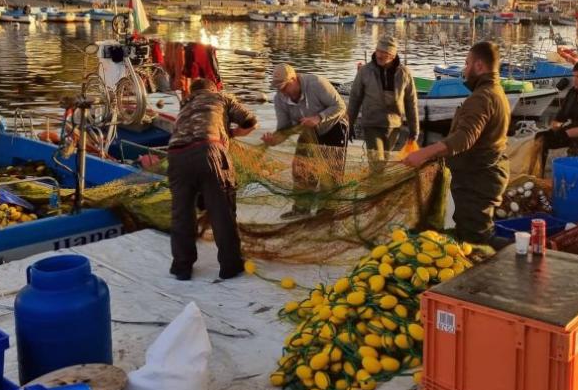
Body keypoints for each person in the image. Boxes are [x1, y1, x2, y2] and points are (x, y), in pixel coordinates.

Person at [402, 42, 510, 245]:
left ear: (479, 66)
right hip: (486, 174)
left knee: (476, 239)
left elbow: (464, 138)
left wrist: (423, 153)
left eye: (467, 63)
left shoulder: (482, 97)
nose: (464, 69)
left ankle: (528, 256)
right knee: (473, 233)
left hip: (478, 179)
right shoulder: (496, 92)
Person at [167, 78, 257, 281]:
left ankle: (182, 267)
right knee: (221, 210)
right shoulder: (221, 97)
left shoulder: (185, 104)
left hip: (175, 155)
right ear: (214, 88)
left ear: (191, 92)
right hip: (209, 151)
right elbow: (250, 121)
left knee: (181, 214)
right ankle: (230, 266)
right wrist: (231, 133)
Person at [261, 63, 348, 219]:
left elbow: (340, 106)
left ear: (294, 79)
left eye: (284, 86)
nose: (282, 91)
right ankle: (302, 208)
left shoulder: (316, 83)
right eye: (278, 88)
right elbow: (284, 129)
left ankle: (327, 211)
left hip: (334, 126)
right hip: (309, 131)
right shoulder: (279, 99)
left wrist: (319, 118)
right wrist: (273, 140)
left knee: (330, 173)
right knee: (301, 168)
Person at [347, 36, 419, 165]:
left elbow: (411, 103)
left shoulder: (404, 73)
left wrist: (414, 130)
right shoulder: (365, 71)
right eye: (378, 51)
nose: (380, 55)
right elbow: (354, 99)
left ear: (392, 55)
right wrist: (349, 124)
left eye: (384, 52)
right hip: (372, 125)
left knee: (383, 164)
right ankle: (375, 183)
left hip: (394, 126)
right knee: (377, 163)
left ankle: (374, 184)